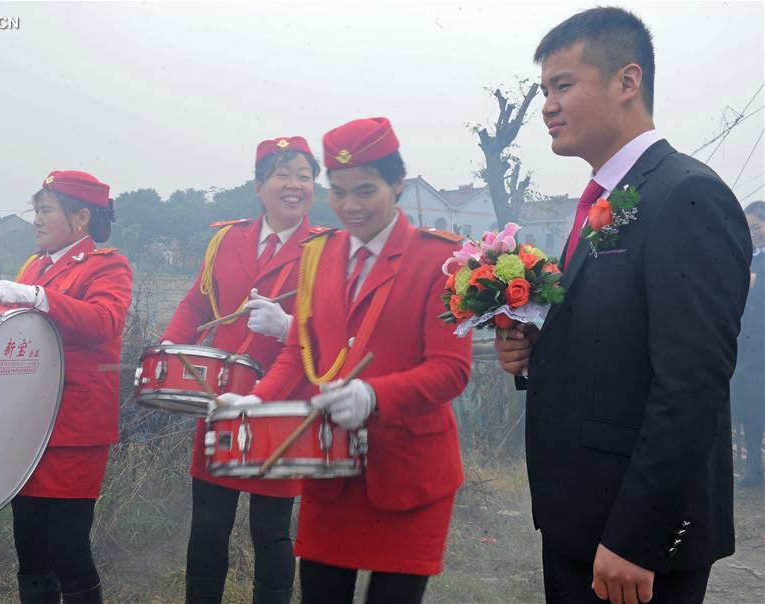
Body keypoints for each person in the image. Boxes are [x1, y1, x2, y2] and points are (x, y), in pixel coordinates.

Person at [494, 8, 752, 604]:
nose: (547, 107)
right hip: (580, 516)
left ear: (627, 81)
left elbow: (692, 383)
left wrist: (640, 536)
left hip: (632, 542)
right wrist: (535, 354)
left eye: (563, 85)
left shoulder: (686, 194)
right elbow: (618, 342)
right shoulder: (605, 200)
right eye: (543, 91)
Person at [230, 117, 472, 604]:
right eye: (338, 192)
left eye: (366, 191)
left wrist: (373, 395)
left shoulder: (441, 261)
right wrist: (255, 401)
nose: (350, 207)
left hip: (409, 474)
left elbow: (452, 369)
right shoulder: (319, 254)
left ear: (397, 185)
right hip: (331, 467)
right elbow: (302, 353)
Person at [161, 136, 321, 604]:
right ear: (260, 186)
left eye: (305, 176)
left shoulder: (325, 249)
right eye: (283, 175)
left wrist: (288, 325)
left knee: (271, 530)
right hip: (222, 399)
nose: (295, 185)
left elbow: (335, 332)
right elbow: (196, 301)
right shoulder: (227, 239)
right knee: (208, 523)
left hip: (285, 403)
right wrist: (173, 344)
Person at [0, 170, 132, 604]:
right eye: (37, 211)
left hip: (75, 427)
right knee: (29, 544)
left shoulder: (107, 264)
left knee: (68, 546)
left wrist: (35, 296)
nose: (36, 220)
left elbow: (106, 321)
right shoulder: (35, 265)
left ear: (80, 218)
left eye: (46, 210)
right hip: (28, 423)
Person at [733, 201, 765, 487]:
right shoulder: (746, 255)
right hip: (748, 345)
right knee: (750, 408)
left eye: (757, 227)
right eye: (750, 228)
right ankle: (754, 467)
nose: (754, 233)